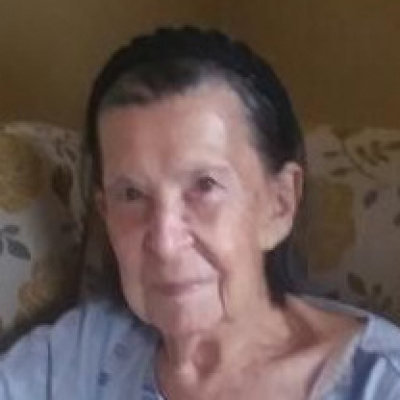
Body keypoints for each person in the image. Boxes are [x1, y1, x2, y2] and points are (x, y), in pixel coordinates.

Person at [1, 26, 400, 400]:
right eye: (132, 194)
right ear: (105, 213)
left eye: (205, 186)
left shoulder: (379, 382)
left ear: (279, 204)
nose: (164, 242)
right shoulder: (74, 355)